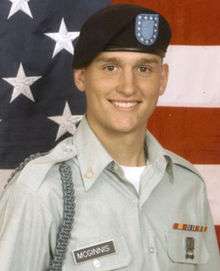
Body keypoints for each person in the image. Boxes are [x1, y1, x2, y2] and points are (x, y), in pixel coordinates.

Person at [0, 3, 219, 271]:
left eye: (144, 69)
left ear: (162, 79)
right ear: (81, 77)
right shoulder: (42, 190)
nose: (128, 87)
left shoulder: (188, 185)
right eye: (110, 68)